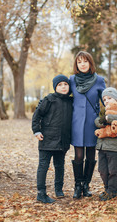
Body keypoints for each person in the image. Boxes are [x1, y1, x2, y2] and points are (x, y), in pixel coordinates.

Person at [70, 51, 106, 199]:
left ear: (90, 63)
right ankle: (78, 185)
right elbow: (63, 97)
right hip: (77, 123)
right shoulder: (71, 80)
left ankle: (86, 185)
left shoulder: (99, 80)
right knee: (79, 155)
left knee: (91, 156)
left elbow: (106, 99)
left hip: (92, 124)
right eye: (79, 62)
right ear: (76, 64)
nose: (82, 64)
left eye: (85, 61)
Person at [32, 75, 73, 203]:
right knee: (43, 165)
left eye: (65, 84)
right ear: (55, 87)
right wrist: (36, 131)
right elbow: (37, 115)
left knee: (60, 165)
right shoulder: (49, 99)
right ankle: (41, 193)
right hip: (47, 138)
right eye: (60, 85)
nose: (63, 87)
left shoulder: (71, 101)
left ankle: (59, 189)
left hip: (63, 140)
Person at [95, 87, 117, 201]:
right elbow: (97, 121)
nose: (107, 101)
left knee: (112, 170)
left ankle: (112, 191)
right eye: (104, 99)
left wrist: (107, 118)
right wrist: (103, 119)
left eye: (109, 98)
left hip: (114, 147)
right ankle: (107, 188)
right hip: (102, 146)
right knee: (102, 170)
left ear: (116, 99)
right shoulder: (103, 111)